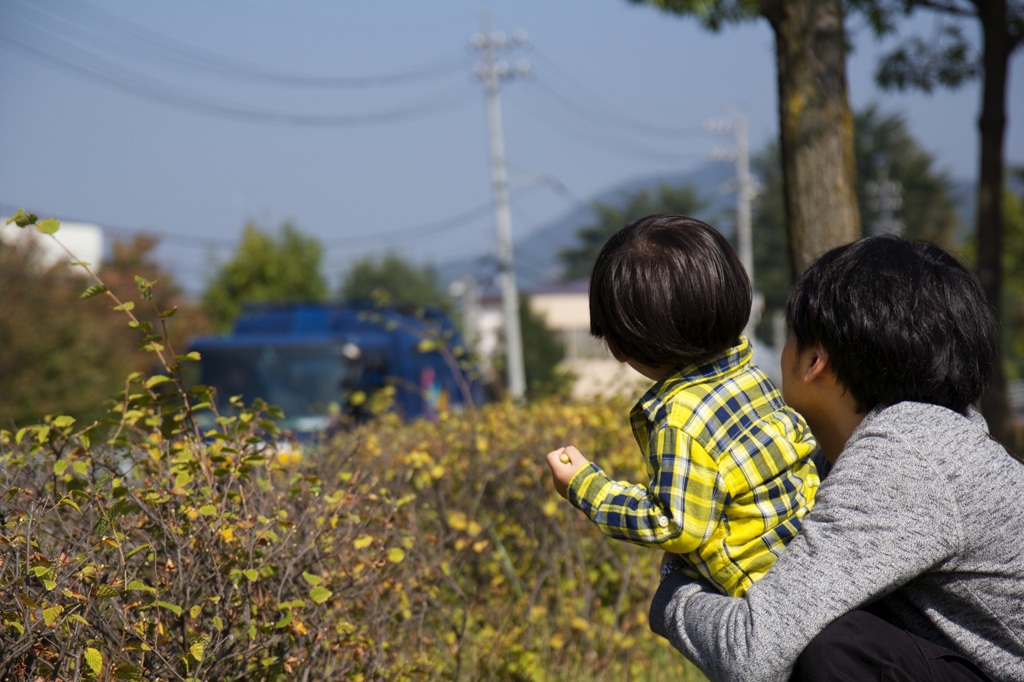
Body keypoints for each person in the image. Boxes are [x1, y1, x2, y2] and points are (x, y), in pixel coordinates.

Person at [649, 235, 1024, 681]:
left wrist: (675, 584)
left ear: (815, 360)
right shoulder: (931, 436)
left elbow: (751, 652)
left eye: (792, 335)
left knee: (834, 645)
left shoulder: (904, 458)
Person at [545, 214, 820, 598]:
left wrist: (585, 488)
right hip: (813, 562)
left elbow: (675, 524)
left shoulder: (679, 420)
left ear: (620, 345)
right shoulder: (751, 378)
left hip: (765, 597)